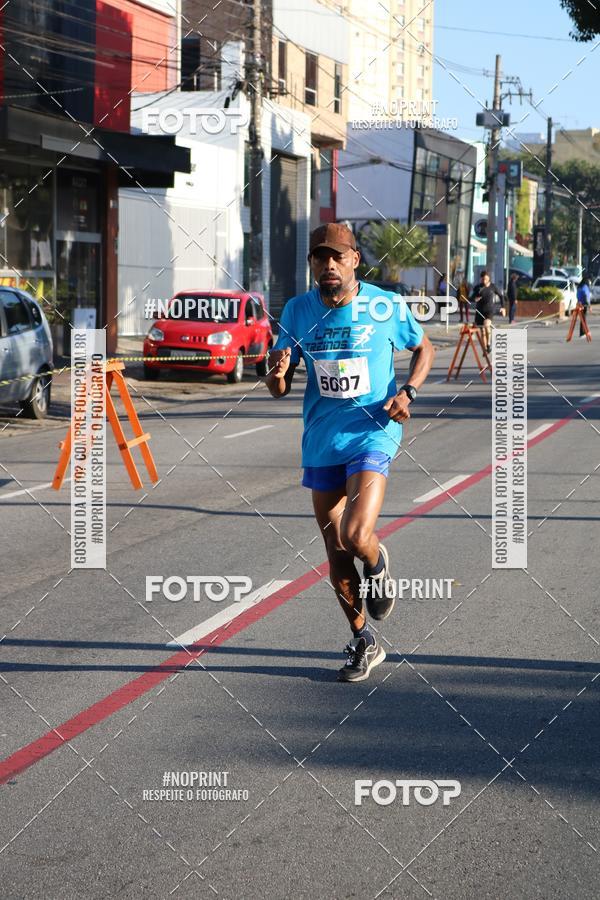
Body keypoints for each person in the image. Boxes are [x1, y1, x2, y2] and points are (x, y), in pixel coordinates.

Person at [265, 223, 434, 683]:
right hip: (322, 440)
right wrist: (276, 370)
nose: (329, 265)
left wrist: (409, 393)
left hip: (372, 433)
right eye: (321, 258)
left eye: (337, 257)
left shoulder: (383, 305)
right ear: (313, 266)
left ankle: (378, 565)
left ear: (355, 260)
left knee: (358, 535)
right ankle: (363, 641)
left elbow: (424, 349)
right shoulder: (298, 311)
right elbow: (278, 387)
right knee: (335, 549)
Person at [470, 270, 504, 355]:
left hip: (489, 311)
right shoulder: (478, 287)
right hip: (479, 311)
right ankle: (485, 349)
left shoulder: (493, 287)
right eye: (483, 279)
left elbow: (501, 296)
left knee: (486, 325)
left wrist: (503, 307)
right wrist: (475, 299)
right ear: (481, 279)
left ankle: (488, 344)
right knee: (482, 332)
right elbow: (471, 297)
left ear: (489, 278)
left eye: (486, 279)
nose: (484, 281)